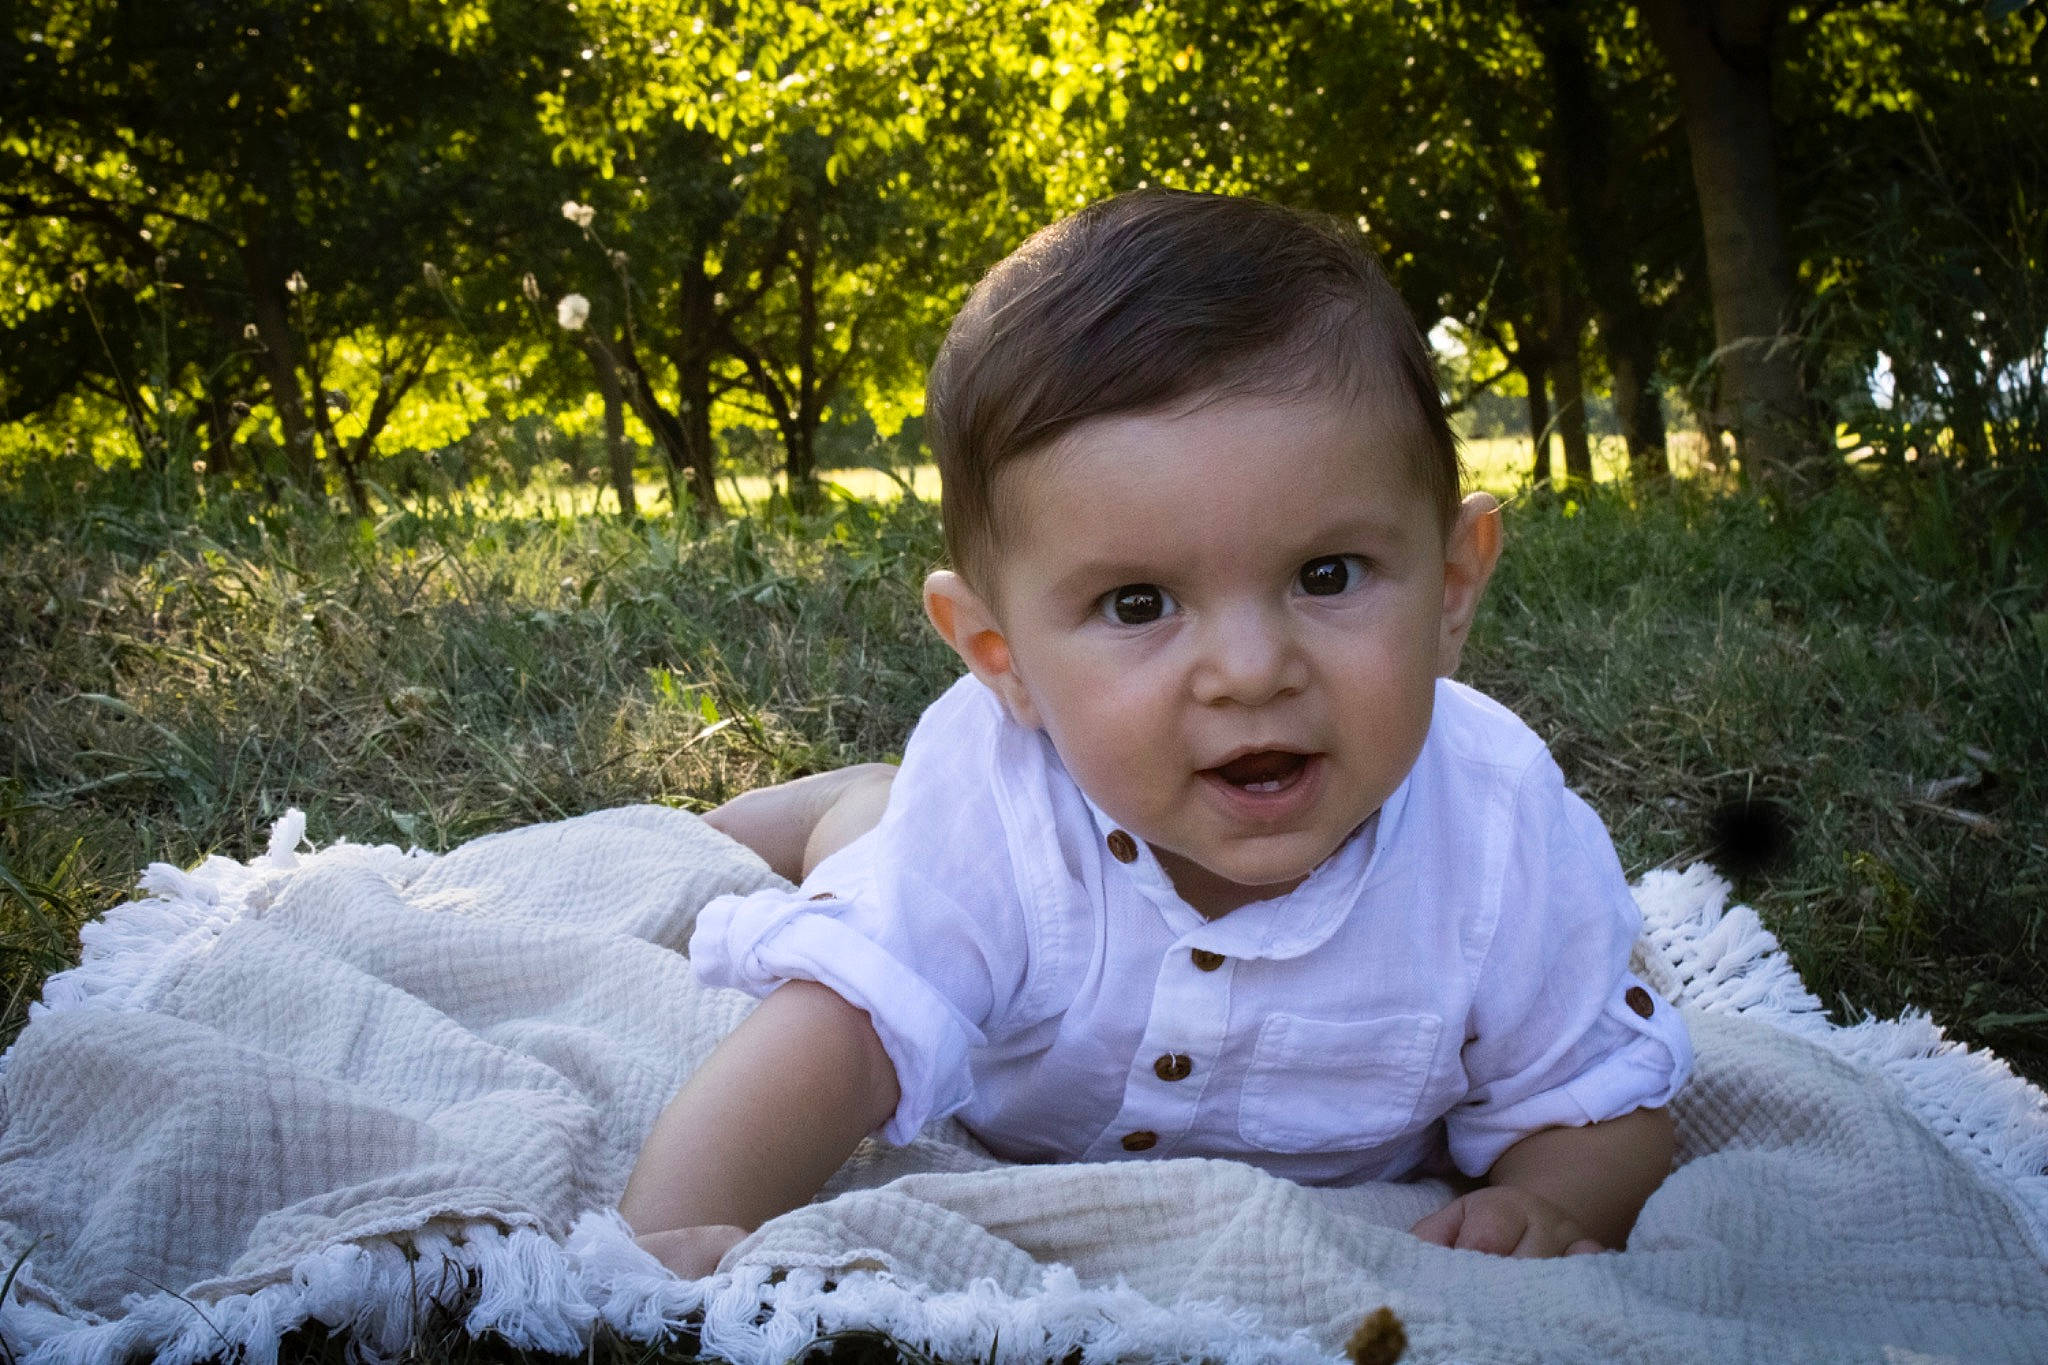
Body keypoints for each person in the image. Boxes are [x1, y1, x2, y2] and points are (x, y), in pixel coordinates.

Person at [620, 189, 1692, 1278]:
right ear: (1002, 657)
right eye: (1138, 604)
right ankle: (838, 802)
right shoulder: (994, 812)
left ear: (1452, 587)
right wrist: (671, 1235)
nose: (1248, 671)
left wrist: (1552, 1201)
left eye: (1326, 577)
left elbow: (1594, 1103)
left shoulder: (1498, 829)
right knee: (870, 846)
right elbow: (831, 1041)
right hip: (949, 861)